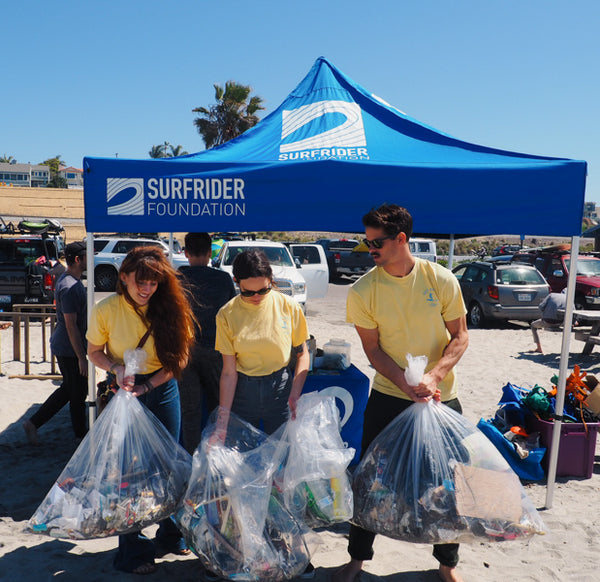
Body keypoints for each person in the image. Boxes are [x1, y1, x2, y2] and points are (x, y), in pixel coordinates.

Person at [334, 204, 469, 582]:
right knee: (370, 479)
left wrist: (435, 376)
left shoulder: (440, 279)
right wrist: (408, 385)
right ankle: (357, 561)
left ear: (401, 239)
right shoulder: (363, 290)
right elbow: (373, 351)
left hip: (441, 396)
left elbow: (460, 337)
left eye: (376, 242)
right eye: (366, 242)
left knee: (448, 481)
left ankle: (447, 565)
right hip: (389, 395)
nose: (370, 249)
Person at [87, 246, 196, 575]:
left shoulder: (171, 307)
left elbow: (178, 361)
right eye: (140, 283)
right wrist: (116, 369)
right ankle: (133, 548)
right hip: (122, 392)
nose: (147, 289)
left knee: (168, 463)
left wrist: (150, 386)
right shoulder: (105, 309)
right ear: (124, 278)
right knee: (128, 472)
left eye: (153, 283)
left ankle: (171, 534)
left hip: (162, 390)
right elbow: (94, 351)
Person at [214, 249, 315, 579]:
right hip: (242, 391)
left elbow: (303, 354)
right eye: (248, 291)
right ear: (236, 283)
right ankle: (235, 548)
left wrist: (296, 391)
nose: (256, 297)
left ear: (272, 282)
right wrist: (223, 421)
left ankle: (283, 544)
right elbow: (228, 373)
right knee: (236, 478)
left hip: (279, 393)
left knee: (280, 477)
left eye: (263, 290)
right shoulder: (227, 314)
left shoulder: (287, 306)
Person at [23, 241, 88, 445]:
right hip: (68, 347)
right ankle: (80, 436)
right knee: (77, 393)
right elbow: (70, 326)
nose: (90, 260)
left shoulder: (70, 281)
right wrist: (81, 357)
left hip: (68, 345)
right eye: (87, 256)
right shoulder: (69, 286)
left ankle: (33, 423)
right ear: (78, 260)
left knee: (71, 390)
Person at [178, 232, 236, 454]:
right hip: (217, 351)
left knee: (190, 411)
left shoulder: (178, 278)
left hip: (186, 353)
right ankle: (215, 459)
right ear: (210, 252)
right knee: (217, 409)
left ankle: (193, 459)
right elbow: (234, 314)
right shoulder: (222, 279)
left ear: (186, 252)